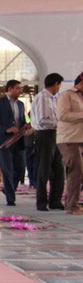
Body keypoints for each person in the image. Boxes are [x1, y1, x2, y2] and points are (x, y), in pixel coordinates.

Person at [0, 80, 29, 206]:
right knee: (7, 169)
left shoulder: (21, 104)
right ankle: (10, 199)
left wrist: (25, 126)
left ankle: (8, 189)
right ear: (10, 89)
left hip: (18, 141)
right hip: (3, 141)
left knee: (20, 168)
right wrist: (6, 129)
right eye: (17, 88)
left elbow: (22, 120)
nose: (20, 90)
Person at [31, 72, 65, 211]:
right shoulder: (42, 98)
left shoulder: (53, 99)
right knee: (43, 170)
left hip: (55, 134)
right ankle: (41, 202)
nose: (59, 88)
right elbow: (42, 120)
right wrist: (60, 123)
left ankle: (55, 201)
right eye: (59, 85)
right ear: (55, 84)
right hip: (45, 135)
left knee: (58, 169)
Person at [56, 72, 83, 215]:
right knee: (76, 171)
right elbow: (62, 115)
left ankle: (74, 204)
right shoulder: (67, 95)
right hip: (69, 139)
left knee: (80, 172)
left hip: (81, 138)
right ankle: (71, 206)